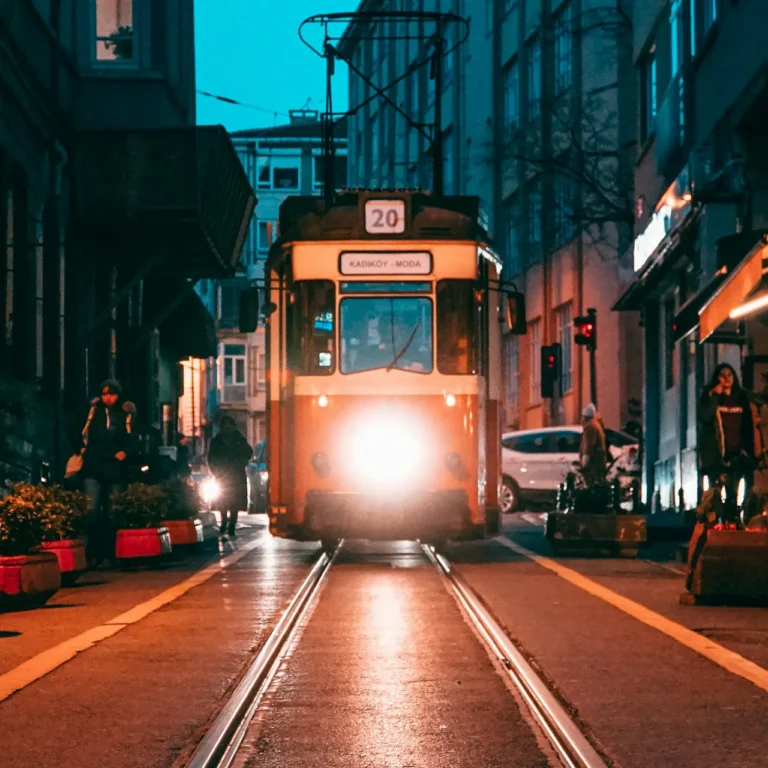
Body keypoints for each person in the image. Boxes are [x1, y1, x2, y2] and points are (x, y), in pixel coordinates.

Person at [80, 379, 136, 568]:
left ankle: (111, 552)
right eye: (104, 394)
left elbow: (134, 437)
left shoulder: (125, 414)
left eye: (112, 394)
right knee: (92, 510)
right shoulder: (92, 412)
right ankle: (93, 552)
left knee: (113, 512)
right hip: (94, 466)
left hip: (115, 468)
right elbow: (77, 430)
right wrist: (81, 449)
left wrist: (125, 452)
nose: (108, 398)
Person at [697, 362, 759, 515]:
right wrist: (715, 396)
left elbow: (749, 425)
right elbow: (704, 417)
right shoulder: (711, 396)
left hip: (736, 453)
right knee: (715, 494)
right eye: (722, 376)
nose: (726, 379)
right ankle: (716, 524)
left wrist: (750, 450)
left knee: (733, 493)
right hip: (716, 455)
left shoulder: (741, 397)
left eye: (729, 375)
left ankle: (732, 521)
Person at [207, 416, 252, 537]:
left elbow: (249, 452)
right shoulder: (216, 441)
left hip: (237, 476)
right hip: (222, 476)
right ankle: (224, 521)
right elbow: (210, 458)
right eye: (224, 425)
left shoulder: (239, 439)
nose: (227, 427)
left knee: (235, 503)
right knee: (222, 501)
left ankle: (232, 524)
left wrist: (242, 462)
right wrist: (215, 472)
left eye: (229, 425)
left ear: (233, 426)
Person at [579, 403, 607, 485]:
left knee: (591, 484)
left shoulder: (590, 427)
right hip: (598, 461)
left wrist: (585, 460)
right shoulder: (595, 425)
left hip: (593, 463)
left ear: (585, 417)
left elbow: (589, 445)